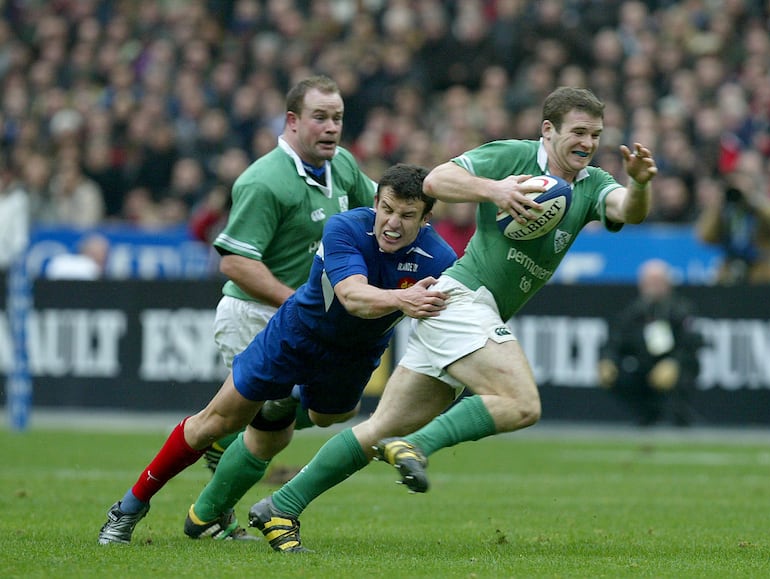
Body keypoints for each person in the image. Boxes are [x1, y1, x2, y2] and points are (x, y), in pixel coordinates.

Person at [244, 86, 658, 553]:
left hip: (455, 308)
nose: (587, 142)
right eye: (578, 132)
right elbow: (437, 181)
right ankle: (418, 447)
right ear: (548, 131)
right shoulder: (512, 157)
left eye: (595, 134)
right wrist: (495, 190)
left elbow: (627, 210)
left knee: (379, 430)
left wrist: (640, 183)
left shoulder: (592, 183)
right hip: (463, 299)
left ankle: (279, 506)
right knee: (521, 404)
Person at [97, 163, 457, 545]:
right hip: (296, 336)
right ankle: (128, 508)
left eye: (406, 215)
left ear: (426, 218)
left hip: (356, 354)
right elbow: (352, 297)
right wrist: (405, 298)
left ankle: (278, 407)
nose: (392, 223)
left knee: (332, 415)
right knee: (214, 422)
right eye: (387, 209)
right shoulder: (346, 228)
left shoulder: (440, 258)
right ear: (375, 202)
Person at [203, 75, 377, 471]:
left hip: (304, 316)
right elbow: (233, 261)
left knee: (334, 408)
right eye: (320, 117)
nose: (331, 127)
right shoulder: (263, 181)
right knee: (272, 421)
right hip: (254, 315)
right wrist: (296, 301)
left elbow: (380, 212)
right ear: (293, 120)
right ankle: (213, 512)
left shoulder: (344, 165)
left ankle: (228, 439)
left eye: (338, 117)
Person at [597, 259, 702, 426]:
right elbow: (615, 341)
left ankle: (680, 417)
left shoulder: (681, 309)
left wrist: (673, 363)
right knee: (618, 374)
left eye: (658, 281)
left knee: (679, 374)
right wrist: (607, 360)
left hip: (675, 366)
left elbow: (692, 342)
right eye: (649, 281)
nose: (653, 286)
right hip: (643, 367)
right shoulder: (633, 312)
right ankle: (645, 414)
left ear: (668, 283)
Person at [696, 154, 770, 285]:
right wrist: (720, 204)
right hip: (729, 273)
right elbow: (705, 236)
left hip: (761, 275)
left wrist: (754, 200)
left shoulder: (762, 207)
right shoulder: (726, 210)